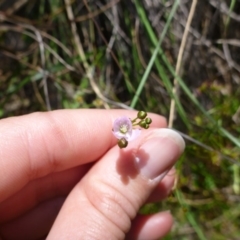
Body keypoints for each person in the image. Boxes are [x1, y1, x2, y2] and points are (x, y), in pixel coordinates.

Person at [0, 109, 185, 240]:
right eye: (122, 129)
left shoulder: (128, 131)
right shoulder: (123, 131)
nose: (123, 130)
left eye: (125, 130)